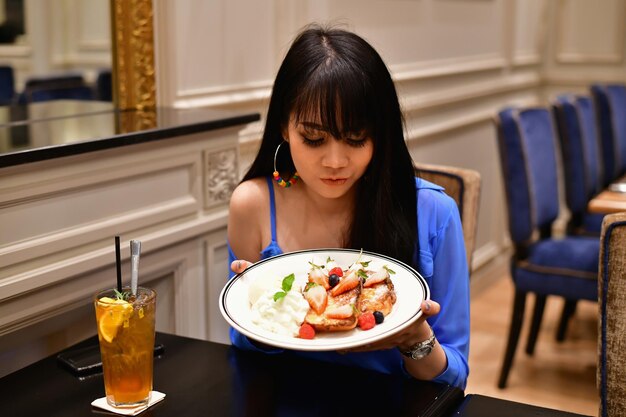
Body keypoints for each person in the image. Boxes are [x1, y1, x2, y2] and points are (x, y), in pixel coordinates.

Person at [227, 24, 469, 389]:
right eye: (313, 138)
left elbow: (454, 377)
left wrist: (414, 338)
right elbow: (246, 354)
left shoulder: (434, 213)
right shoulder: (253, 205)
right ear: (283, 127)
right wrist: (262, 314)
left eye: (356, 138)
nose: (335, 161)